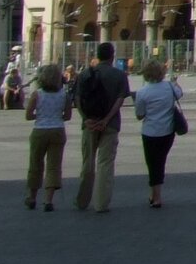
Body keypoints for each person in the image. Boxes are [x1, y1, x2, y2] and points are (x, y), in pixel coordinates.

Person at [73, 42, 131, 213]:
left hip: (89, 123)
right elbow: (120, 100)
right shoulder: (119, 75)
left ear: (97, 55)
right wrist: (106, 119)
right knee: (105, 163)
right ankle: (101, 203)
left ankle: (82, 200)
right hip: (110, 124)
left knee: (87, 163)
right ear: (112, 56)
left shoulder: (85, 74)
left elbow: (77, 99)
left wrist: (86, 119)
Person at [132, 58, 184, 208]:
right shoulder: (168, 87)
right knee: (160, 161)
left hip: (149, 132)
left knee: (152, 163)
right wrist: (175, 82)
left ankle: (156, 197)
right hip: (167, 131)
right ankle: (154, 193)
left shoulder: (142, 92)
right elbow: (179, 94)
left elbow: (139, 115)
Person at [25, 64, 73, 211]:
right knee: (54, 166)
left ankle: (32, 197)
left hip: (40, 130)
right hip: (58, 130)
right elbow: (67, 116)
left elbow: (28, 115)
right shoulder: (64, 94)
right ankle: (48, 200)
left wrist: (39, 115)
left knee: (36, 163)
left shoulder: (37, 94)